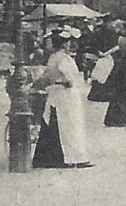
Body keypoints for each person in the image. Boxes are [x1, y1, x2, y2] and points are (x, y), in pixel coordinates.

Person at [35, 28, 93, 168]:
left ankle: (48, 157)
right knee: (70, 125)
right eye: (67, 43)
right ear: (63, 45)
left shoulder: (52, 58)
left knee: (54, 124)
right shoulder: (65, 59)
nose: (69, 46)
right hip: (66, 94)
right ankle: (73, 157)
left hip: (55, 94)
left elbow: (48, 76)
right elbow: (70, 79)